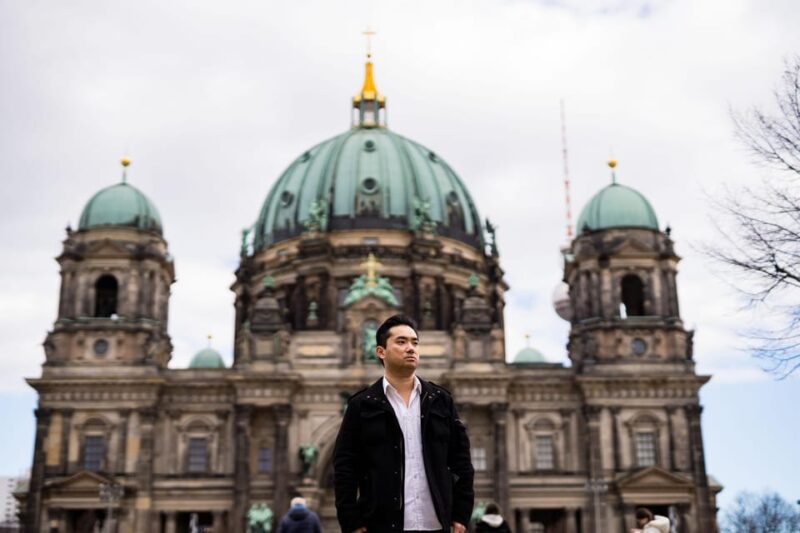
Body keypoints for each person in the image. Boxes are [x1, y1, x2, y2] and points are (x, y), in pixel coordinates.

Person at [334, 314, 475, 533]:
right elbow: (345, 468)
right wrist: (351, 522)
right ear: (381, 352)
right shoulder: (361, 405)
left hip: (437, 525)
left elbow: (462, 461)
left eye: (414, 342)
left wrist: (461, 515)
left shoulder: (441, 400)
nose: (410, 348)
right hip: (382, 526)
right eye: (401, 342)